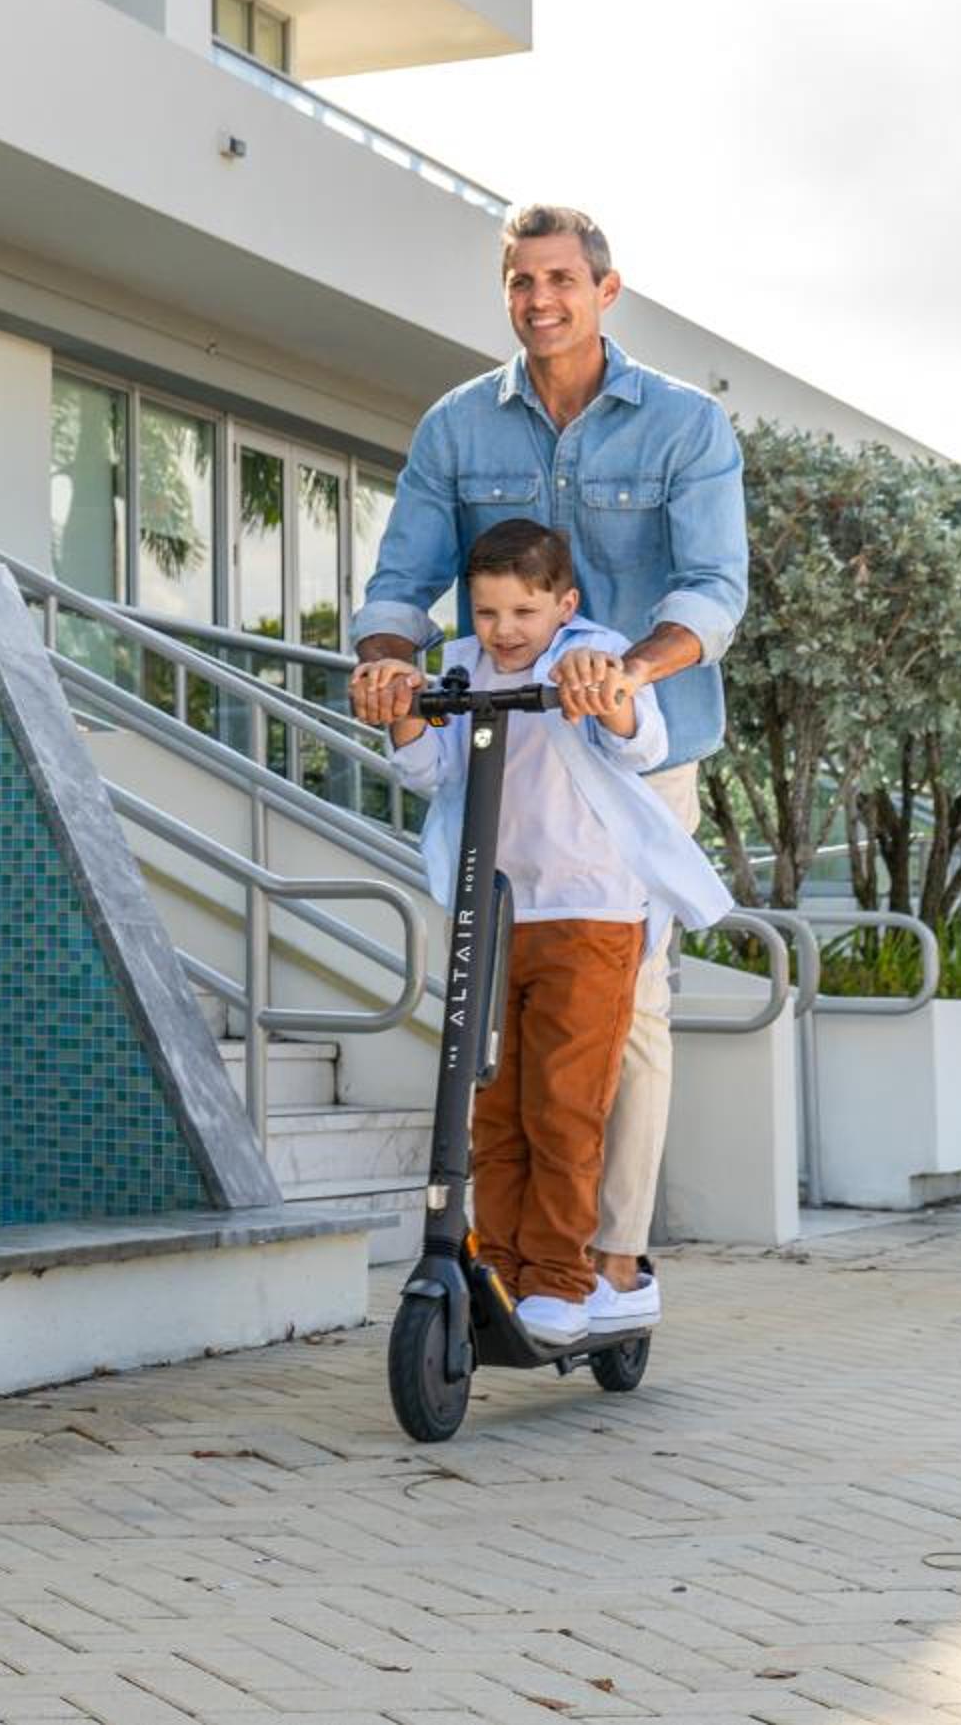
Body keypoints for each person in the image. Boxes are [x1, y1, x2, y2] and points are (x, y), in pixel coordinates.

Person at [351, 204, 746, 1332]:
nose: (541, 301)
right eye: (523, 281)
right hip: (507, 762)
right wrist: (389, 663)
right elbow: (402, 582)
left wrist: (622, 674)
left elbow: (712, 590)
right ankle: (510, 1254)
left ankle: (608, 1260)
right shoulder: (458, 424)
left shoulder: (683, 423)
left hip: (639, 754)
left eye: (563, 279)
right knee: (495, 1025)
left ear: (605, 291)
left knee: (631, 1014)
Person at [368, 521, 731, 1342]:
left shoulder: (593, 653)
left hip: (590, 914)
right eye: (488, 611)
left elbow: (642, 747)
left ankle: (562, 1282)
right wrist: (404, 709)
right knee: (494, 1109)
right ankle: (501, 1268)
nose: (505, 630)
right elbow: (428, 772)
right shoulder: (459, 665)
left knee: (564, 1108)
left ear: (564, 606)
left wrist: (609, 690)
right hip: (495, 914)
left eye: (525, 612)